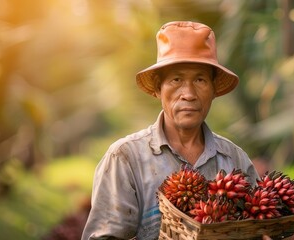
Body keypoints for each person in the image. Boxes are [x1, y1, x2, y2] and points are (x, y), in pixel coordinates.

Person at [82, 21, 260, 239]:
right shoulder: (126, 158)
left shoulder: (235, 160)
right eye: (176, 79)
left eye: (200, 80)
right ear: (158, 89)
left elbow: (258, 228)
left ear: (214, 90)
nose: (188, 94)